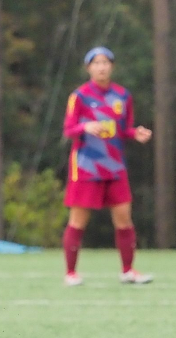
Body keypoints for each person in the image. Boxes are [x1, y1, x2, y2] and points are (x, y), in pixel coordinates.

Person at [60, 47, 153, 286]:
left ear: (112, 66)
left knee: (124, 218)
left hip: (114, 166)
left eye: (105, 62)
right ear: (88, 67)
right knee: (78, 220)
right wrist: (85, 127)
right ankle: (70, 273)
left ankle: (128, 270)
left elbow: (123, 130)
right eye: (96, 63)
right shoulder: (79, 96)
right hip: (86, 166)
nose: (101, 67)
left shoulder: (122, 95)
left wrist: (136, 133)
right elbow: (69, 129)